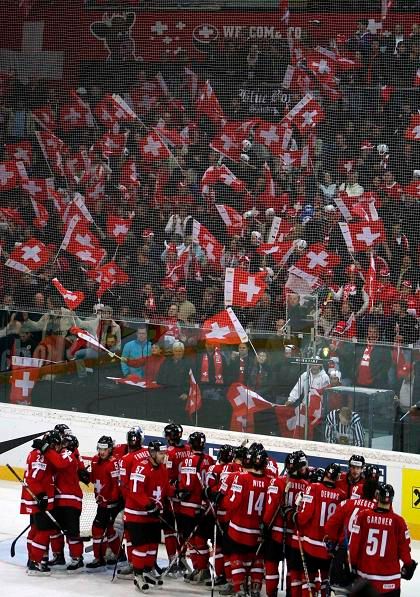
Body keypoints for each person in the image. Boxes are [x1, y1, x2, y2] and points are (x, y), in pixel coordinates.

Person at [349, 483, 417, 595]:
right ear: (391, 499)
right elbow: (405, 551)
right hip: (390, 582)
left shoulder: (363, 516)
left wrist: (353, 565)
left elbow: (354, 546)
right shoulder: (399, 522)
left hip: (365, 579)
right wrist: (408, 565)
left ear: (377, 497)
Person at [223, 444, 272, 597]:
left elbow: (231, 503)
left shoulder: (240, 478)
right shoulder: (270, 481)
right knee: (256, 559)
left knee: (236, 558)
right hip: (258, 530)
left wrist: (222, 499)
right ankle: (256, 589)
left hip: (238, 529)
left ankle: (240, 591)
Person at [123, 440, 172, 592]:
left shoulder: (163, 469)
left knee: (152, 545)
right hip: (137, 515)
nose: (164, 456)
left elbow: (165, 488)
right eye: (161, 453)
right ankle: (137, 575)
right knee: (142, 546)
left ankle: (146, 570)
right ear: (152, 453)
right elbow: (135, 491)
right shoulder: (141, 467)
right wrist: (148, 505)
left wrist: (176, 492)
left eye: (164, 453)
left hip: (153, 514)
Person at [294, 463, 346, 596]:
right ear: (337, 477)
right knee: (325, 580)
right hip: (328, 548)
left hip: (311, 545)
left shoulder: (314, 487)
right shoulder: (341, 495)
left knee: (309, 580)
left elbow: (304, 516)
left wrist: (296, 514)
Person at [20, 430, 62, 576]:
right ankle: (35, 563)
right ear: (50, 444)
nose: (58, 449)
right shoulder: (41, 456)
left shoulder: (36, 453)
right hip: (37, 499)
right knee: (44, 531)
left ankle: (32, 559)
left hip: (33, 498)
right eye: (56, 446)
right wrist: (42, 495)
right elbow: (33, 479)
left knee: (36, 530)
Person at [178, 431, 215, 584]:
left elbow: (187, 485)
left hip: (189, 506)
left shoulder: (188, 460)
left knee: (193, 540)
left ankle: (200, 569)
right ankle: (202, 569)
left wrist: (179, 490)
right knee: (200, 539)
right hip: (205, 507)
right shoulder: (210, 459)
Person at [45, 433, 84, 572]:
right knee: (55, 530)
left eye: (64, 443)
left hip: (70, 501)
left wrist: (46, 449)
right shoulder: (61, 454)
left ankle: (77, 559)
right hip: (59, 500)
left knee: (71, 532)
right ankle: (58, 556)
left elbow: (60, 463)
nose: (62, 444)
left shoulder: (68, 454)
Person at [87, 435, 121, 570]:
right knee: (110, 531)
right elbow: (95, 479)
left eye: (104, 449)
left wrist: (110, 499)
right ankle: (119, 554)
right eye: (100, 449)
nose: (101, 452)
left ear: (110, 449)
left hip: (111, 505)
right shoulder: (95, 460)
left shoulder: (114, 463)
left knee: (97, 529)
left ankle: (98, 558)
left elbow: (116, 485)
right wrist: (85, 477)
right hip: (101, 503)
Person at [162, 423, 191, 577]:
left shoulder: (169, 452)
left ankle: (173, 560)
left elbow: (166, 476)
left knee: (169, 530)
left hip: (172, 496)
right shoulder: (188, 449)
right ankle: (182, 559)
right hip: (185, 497)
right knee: (182, 530)